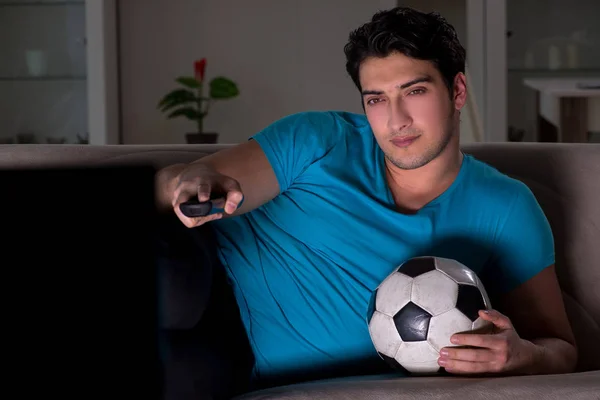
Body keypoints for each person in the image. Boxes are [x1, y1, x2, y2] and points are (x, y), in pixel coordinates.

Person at [155, 5, 578, 398]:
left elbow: (560, 348)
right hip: (214, 312)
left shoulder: (507, 208)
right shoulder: (319, 141)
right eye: (376, 99)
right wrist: (190, 178)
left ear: (458, 90)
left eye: (414, 91)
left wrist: (522, 355)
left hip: (320, 382)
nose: (396, 120)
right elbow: (176, 184)